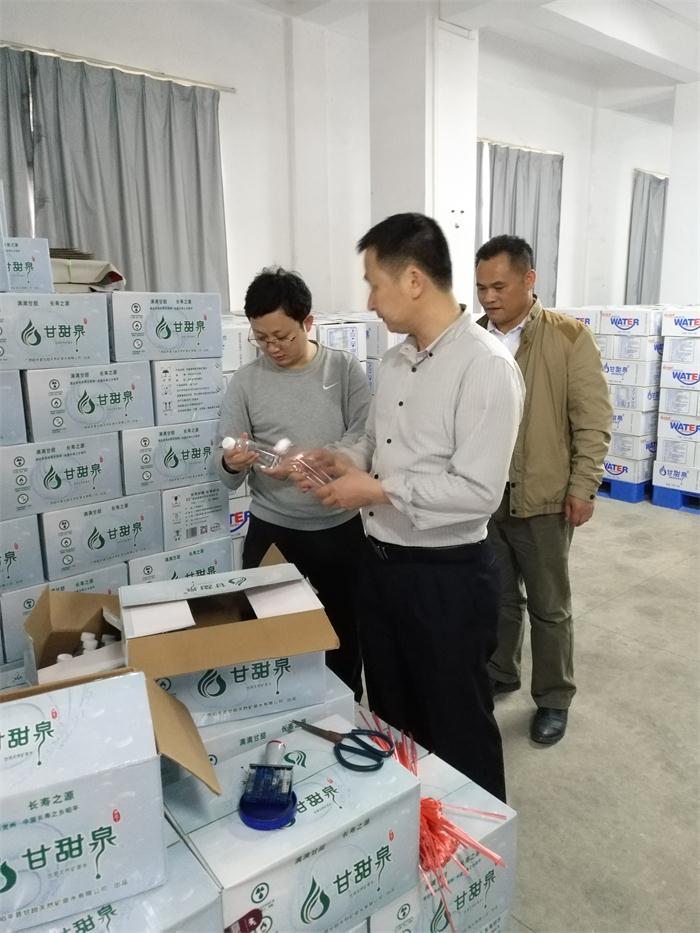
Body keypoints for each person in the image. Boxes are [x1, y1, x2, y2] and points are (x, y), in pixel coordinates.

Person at [292, 214, 524, 802]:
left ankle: (473, 847)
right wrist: (340, 459)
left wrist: (377, 491)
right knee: (393, 717)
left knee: (456, 726)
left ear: (414, 280)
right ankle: (411, 830)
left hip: (446, 579)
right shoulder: (396, 362)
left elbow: (478, 492)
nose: (370, 301)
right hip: (380, 568)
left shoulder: (485, 366)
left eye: (375, 284)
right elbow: (377, 442)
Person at [475, 234, 612, 745]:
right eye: (482, 288)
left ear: (529, 279)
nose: (489, 297)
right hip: (487, 496)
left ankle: (554, 696)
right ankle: (501, 670)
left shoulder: (568, 338)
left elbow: (592, 420)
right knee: (499, 596)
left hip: (545, 496)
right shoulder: (474, 339)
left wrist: (584, 486)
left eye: (499, 286)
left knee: (550, 606)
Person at [217, 267, 371, 701]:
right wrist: (231, 461)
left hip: (339, 530)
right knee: (268, 643)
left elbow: (365, 437)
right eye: (261, 338)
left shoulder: (343, 369)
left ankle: (344, 715)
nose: (272, 348)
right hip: (273, 532)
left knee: (343, 640)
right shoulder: (246, 382)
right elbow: (225, 468)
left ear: (308, 322)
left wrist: (324, 458)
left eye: (282, 336)